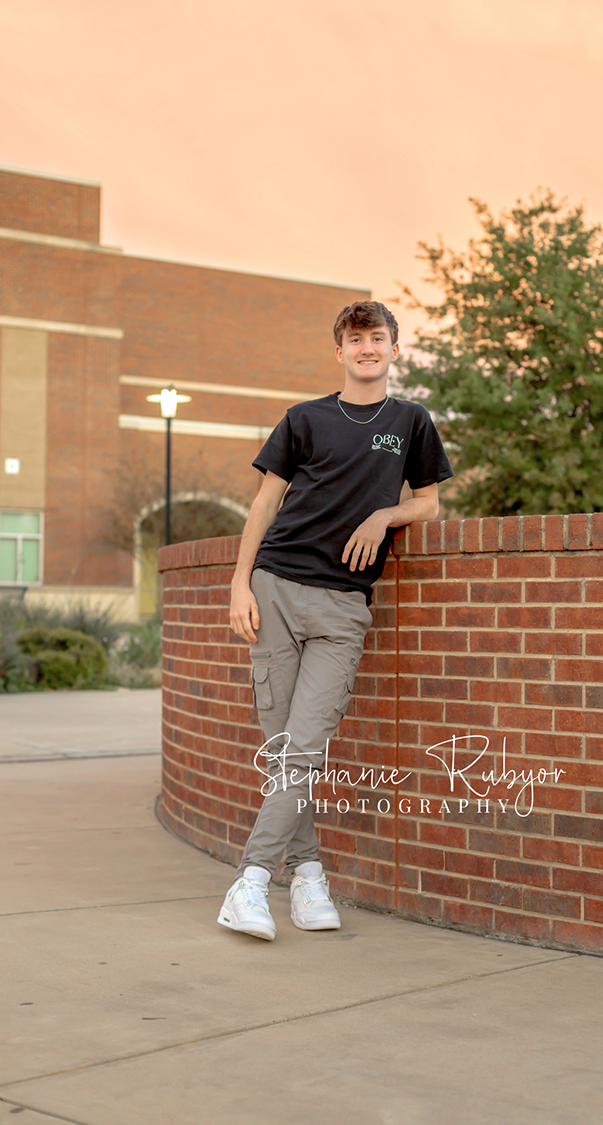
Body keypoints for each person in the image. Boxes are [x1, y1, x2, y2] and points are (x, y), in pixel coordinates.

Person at [217, 299, 453, 941]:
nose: (366, 349)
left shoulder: (411, 422)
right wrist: (240, 583)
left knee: (303, 748)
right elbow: (264, 504)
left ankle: (253, 882)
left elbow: (429, 505)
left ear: (394, 349)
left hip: (345, 605)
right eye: (354, 340)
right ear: (340, 351)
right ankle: (309, 875)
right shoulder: (304, 418)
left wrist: (384, 516)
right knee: (288, 756)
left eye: (377, 338)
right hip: (275, 590)